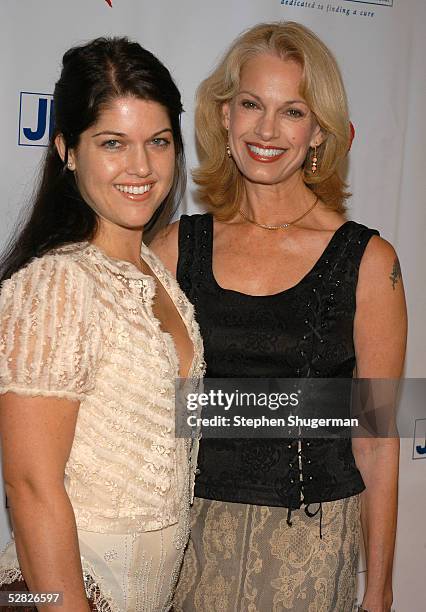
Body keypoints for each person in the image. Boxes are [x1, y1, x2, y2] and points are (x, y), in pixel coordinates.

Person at [151, 21, 407, 612]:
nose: (267, 130)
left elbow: (378, 438)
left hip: (311, 546)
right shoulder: (171, 249)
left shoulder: (368, 262)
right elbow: (146, 408)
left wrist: (381, 593)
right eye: (251, 105)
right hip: (183, 539)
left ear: (319, 131)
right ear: (224, 116)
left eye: (292, 111)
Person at [0, 37, 204, 612]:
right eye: (112, 143)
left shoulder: (156, 277)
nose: (141, 167)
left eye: (158, 142)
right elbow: (32, 488)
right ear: (67, 150)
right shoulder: (55, 286)